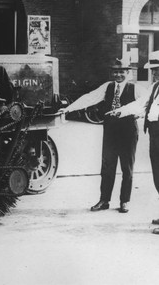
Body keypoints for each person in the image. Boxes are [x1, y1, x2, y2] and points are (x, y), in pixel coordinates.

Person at [61, 58, 145, 213]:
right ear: (111, 73)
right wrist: (68, 109)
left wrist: (139, 114)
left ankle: (125, 201)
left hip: (128, 132)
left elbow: (145, 104)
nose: (118, 74)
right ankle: (104, 200)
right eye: (115, 71)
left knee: (127, 168)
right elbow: (90, 97)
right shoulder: (107, 87)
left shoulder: (136, 88)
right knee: (107, 167)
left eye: (121, 71)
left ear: (128, 73)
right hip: (110, 131)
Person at [109, 51, 159, 233]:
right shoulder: (155, 87)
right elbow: (140, 104)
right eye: (153, 70)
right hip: (155, 134)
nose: (154, 73)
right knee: (158, 176)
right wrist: (120, 111)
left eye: (157, 70)